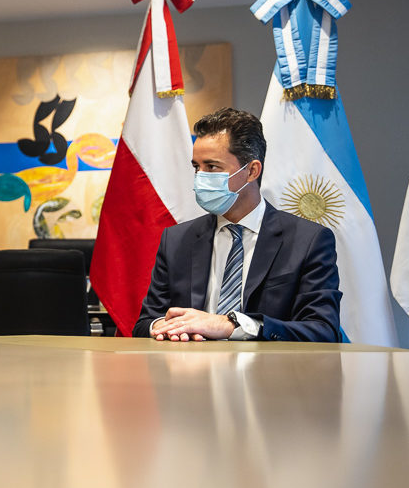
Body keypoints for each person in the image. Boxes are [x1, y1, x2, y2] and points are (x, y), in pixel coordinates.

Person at [133, 107, 341, 342]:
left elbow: (323, 330)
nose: (200, 177)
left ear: (252, 171)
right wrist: (167, 327)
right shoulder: (177, 239)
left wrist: (232, 325)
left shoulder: (308, 241)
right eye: (196, 167)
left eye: (212, 167)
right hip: (191, 363)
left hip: (267, 365)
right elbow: (144, 324)